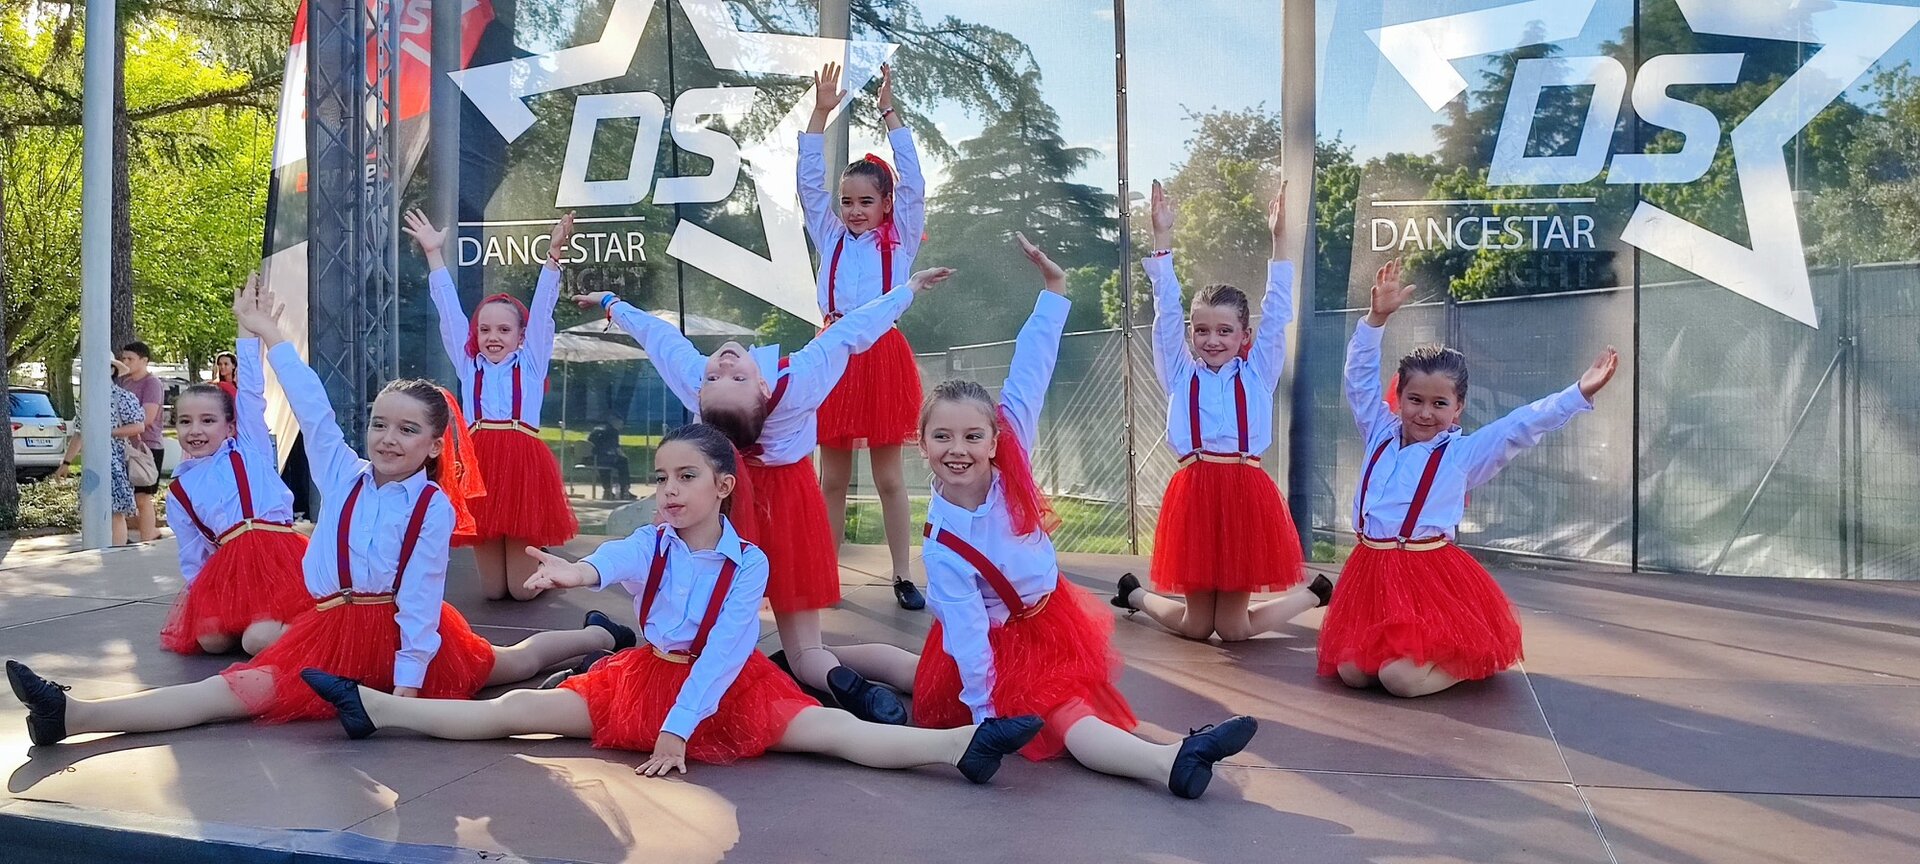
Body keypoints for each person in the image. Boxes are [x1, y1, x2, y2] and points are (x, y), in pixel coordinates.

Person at [7, 278, 626, 745]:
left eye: (408, 430)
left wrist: (405, 692)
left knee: (510, 663)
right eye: (380, 424)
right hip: (329, 630)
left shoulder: (431, 506)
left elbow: (419, 597)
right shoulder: (343, 474)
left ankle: (599, 635)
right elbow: (313, 407)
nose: (388, 438)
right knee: (229, 691)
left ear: (436, 445)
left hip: (403, 638)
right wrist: (270, 337)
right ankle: (72, 713)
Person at [295, 423, 1044, 786]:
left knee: (832, 732)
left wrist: (678, 731)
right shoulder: (650, 542)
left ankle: (963, 746)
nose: (669, 490)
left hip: (724, 689)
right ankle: (374, 708)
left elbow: (723, 654)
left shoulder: (748, 564)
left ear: (723, 486)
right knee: (514, 712)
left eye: (685, 477)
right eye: (660, 478)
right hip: (643, 677)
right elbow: (613, 560)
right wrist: (574, 573)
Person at [834, 235, 1259, 799]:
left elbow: (1032, 365)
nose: (957, 449)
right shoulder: (943, 544)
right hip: (996, 647)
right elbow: (968, 636)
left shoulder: (1012, 452)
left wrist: (1054, 291)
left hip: (1049, 621)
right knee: (1064, 712)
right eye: (942, 437)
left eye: (972, 436)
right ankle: (1169, 762)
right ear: (922, 443)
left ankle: (815, 657)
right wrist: (987, 717)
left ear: (995, 439)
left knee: (916, 671)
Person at [577, 267, 954, 722]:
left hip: (723, 501)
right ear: (761, 386)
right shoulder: (800, 378)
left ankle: (666, 665)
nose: (723, 368)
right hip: (786, 502)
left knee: (701, 631)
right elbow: (854, 330)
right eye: (728, 379)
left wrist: (612, 304)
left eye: (721, 379)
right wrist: (908, 289)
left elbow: (659, 339)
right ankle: (888, 678)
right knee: (806, 650)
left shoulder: (698, 380)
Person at [1318, 260, 1619, 697]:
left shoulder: (1461, 454)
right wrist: (1375, 320)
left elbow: (1520, 425)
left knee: (1400, 680)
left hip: (1426, 577)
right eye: (1415, 400)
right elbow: (1358, 379)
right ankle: (1402, 658)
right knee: (1351, 671)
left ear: (1458, 407)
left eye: (1439, 404)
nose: (1425, 412)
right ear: (1399, 397)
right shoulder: (1379, 431)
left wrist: (1577, 393)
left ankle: (1470, 659)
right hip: (1371, 573)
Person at [1111, 182, 1331, 642]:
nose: (1212, 340)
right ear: (1191, 333)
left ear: (1244, 335)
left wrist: (1279, 240)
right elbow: (1165, 312)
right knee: (1197, 626)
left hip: (1244, 495)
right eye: (1202, 330)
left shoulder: (1258, 373)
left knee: (1231, 630)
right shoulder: (1179, 372)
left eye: (1225, 330)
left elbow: (1278, 312)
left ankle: (1314, 595)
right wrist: (1162, 237)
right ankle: (1135, 595)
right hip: (1194, 495)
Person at [800, 62, 929, 610]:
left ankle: (902, 574)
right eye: (847, 201)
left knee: (889, 477)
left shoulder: (900, 240)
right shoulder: (829, 235)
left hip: (881, 355)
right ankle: (824, 574)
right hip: (832, 354)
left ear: (886, 205)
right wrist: (820, 114)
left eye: (866, 202)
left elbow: (914, 183)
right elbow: (808, 185)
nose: (854, 211)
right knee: (831, 478)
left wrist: (889, 113)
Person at [404, 209, 578, 602]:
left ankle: (539, 564)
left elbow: (543, 311)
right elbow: (449, 312)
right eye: (484, 329)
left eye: (503, 329)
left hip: (521, 461)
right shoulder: (469, 366)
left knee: (520, 591)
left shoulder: (530, 363)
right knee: (494, 591)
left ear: (521, 336)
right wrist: (433, 254)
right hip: (480, 463)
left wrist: (553, 257)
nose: (492, 337)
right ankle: (520, 564)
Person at [158, 278, 314, 655]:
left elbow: (251, 392)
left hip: (278, 561)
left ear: (230, 426)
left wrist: (246, 329)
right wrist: (203, 601)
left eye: (208, 421)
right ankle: (256, 622)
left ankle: (316, 628)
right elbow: (193, 552)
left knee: (257, 641)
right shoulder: (179, 490)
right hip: (232, 570)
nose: (196, 430)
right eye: (185, 422)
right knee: (210, 640)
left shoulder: (248, 449)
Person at [56, 359, 146, 545]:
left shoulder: (122, 397)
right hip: (92, 464)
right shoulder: (87, 400)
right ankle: (98, 549)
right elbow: (79, 433)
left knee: (115, 512)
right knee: (92, 508)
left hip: (115, 462)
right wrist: (66, 462)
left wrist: (107, 432)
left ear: (111, 370)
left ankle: (116, 551)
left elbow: (138, 426)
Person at [117, 340, 166, 542]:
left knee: (143, 497)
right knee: (125, 496)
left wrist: (119, 428)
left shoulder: (152, 383)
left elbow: (147, 418)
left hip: (147, 447)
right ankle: (122, 536)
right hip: (125, 446)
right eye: (124, 358)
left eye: (130, 358)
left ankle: (148, 537)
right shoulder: (124, 382)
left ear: (144, 360)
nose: (126, 362)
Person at [587, 418, 633, 500]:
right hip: (606, 458)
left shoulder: (596, 429)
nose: (621, 427)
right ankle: (624, 490)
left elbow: (589, 443)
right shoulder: (613, 431)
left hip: (592, 459)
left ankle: (607, 490)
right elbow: (617, 449)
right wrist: (624, 456)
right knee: (623, 461)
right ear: (616, 423)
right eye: (621, 424)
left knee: (603, 465)